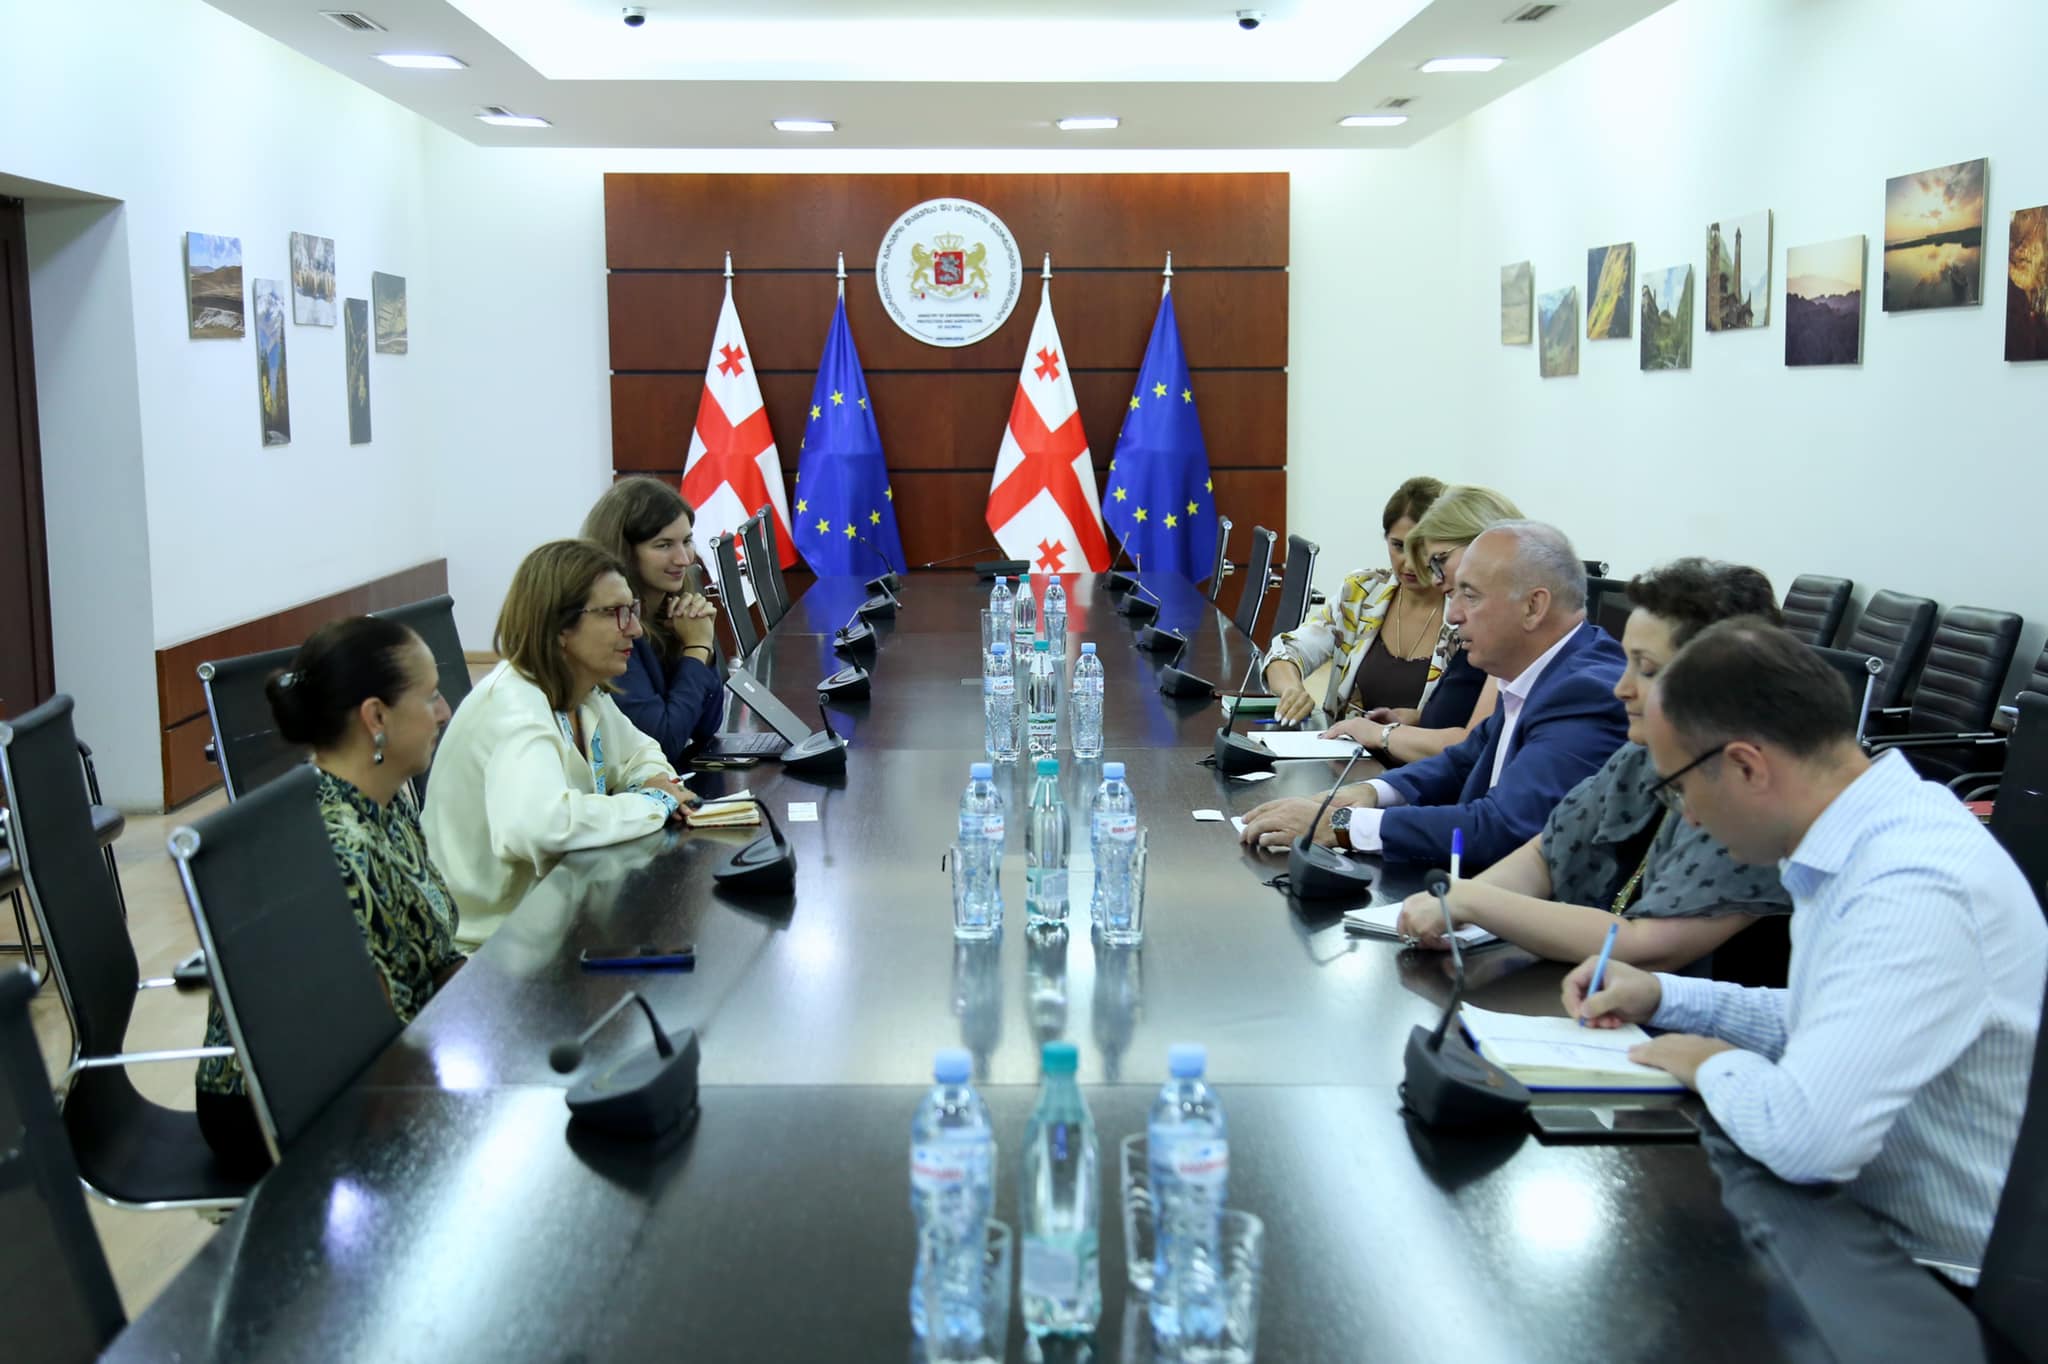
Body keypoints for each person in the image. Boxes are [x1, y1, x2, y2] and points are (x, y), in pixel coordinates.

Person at [1567, 619, 2046, 1286]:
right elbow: (1832, 1019)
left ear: (1746, 766)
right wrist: (1666, 997)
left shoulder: (1910, 886)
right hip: (1866, 1232)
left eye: (1679, 788)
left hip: (1950, 1288)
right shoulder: (1864, 834)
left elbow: (1805, 1137)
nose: (1689, 817)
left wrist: (1710, 1062)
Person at [1395, 559, 1793, 970]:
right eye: (1627, 662)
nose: (1621, 688)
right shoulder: (1642, 754)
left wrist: (1475, 901)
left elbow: (1645, 945)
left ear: (1719, 680)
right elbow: (1547, 853)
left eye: (1647, 669)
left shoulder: (1753, 787)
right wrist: (1455, 905)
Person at [195, 616, 466, 1172]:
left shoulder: (387, 796)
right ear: (376, 717)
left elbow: (432, 959)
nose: (444, 711)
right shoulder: (335, 846)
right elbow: (373, 1047)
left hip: (382, 1067)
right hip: (287, 1105)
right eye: (430, 696)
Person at [1240, 520, 1628, 871]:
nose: (1453, 615)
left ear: (1533, 606)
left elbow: (1502, 828)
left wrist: (1341, 825)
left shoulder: (1586, 693)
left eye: (1470, 597)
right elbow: (1464, 761)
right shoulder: (1538, 669)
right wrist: (1367, 792)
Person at [424, 540, 696, 948]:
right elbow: (542, 826)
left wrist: (653, 781)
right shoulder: (514, 705)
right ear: (558, 627)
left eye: (633, 610)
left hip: (554, 924)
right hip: (486, 951)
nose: (635, 629)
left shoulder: (584, 692)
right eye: (614, 613)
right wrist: (654, 802)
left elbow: (641, 753)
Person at [1261, 477, 1490, 765]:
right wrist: (1291, 689)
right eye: (1398, 545)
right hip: (1343, 766)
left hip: (1422, 773)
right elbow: (1287, 650)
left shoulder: (1468, 617)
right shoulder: (1363, 591)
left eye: (1421, 550)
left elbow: (1473, 731)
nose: (1409, 562)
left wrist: (1406, 725)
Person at [1328, 484, 1523, 767]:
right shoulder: (1484, 632)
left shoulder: (1510, 640)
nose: (1435, 579)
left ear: (1483, 545)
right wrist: (1416, 721)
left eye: (1439, 560)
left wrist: (1382, 735)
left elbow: (1473, 748)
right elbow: (1468, 717)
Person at [581, 477, 725, 764]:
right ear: (624, 552)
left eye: (687, 541)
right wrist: (697, 649)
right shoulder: (612, 629)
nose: (684, 559)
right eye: (663, 545)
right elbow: (662, 744)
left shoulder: (675, 613)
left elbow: (706, 727)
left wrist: (701, 651)